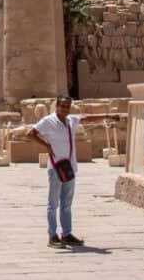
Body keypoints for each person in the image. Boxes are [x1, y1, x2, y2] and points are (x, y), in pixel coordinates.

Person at [26, 95, 121, 248]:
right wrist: (47, 146)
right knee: (53, 203)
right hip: (56, 166)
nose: (64, 109)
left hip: (69, 167)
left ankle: (67, 234)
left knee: (66, 203)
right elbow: (30, 133)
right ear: (56, 106)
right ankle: (52, 235)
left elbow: (88, 118)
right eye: (62, 106)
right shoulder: (48, 121)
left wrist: (108, 116)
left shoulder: (70, 120)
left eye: (67, 107)